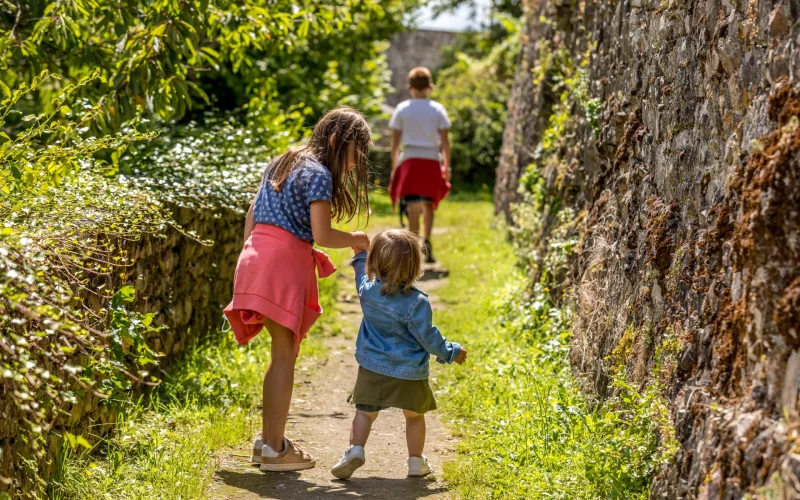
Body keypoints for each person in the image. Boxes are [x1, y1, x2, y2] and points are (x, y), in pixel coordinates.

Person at [223, 107, 372, 472]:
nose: (355, 164)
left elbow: (252, 214)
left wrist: (254, 257)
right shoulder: (319, 174)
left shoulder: (283, 160)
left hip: (255, 255)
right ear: (338, 141)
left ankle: (269, 442)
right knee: (284, 355)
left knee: (281, 353)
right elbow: (322, 234)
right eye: (356, 154)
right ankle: (274, 448)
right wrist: (357, 239)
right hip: (283, 263)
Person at [330, 230, 468, 480]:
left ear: (375, 263)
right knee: (414, 416)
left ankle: (355, 450)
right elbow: (429, 337)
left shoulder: (368, 290)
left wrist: (360, 254)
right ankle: (415, 461)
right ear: (415, 266)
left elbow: (361, 271)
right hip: (409, 372)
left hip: (373, 367)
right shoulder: (416, 302)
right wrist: (451, 352)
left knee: (364, 412)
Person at [388, 67, 452, 263]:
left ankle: (413, 248)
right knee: (429, 204)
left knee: (413, 208)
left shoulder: (402, 109)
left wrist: (394, 169)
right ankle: (427, 241)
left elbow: (395, 144)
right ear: (430, 87)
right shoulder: (438, 109)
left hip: (410, 162)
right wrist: (446, 166)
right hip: (432, 161)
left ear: (410, 88)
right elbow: (445, 142)